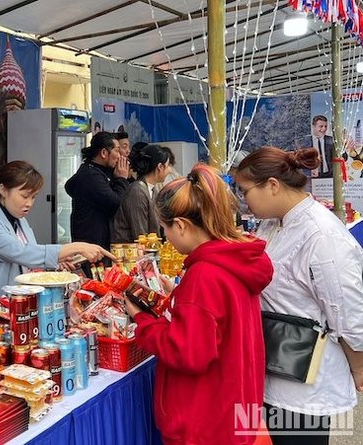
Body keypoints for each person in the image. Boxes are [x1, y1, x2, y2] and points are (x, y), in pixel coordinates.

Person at [125, 164, 274, 444]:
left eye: (165, 228)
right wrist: (178, 297)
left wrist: (143, 321)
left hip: (203, 422)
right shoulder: (236, 261)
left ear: (180, 225)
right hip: (232, 412)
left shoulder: (204, 275)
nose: (166, 236)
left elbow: (189, 353)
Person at [235, 147, 363, 444]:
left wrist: (358, 367)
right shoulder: (273, 225)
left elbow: (348, 311)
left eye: (245, 191)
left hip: (305, 383)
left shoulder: (321, 235)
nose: (245, 201)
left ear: (272, 186)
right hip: (273, 369)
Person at [0, 160, 111, 322]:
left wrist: (57, 261)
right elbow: (21, 252)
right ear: (3, 190)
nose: (29, 203)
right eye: (24, 196)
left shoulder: (19, 220)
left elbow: (31, 256)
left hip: (21, 307)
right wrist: (75, 247)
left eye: (33, 197)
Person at [65, 131, 130, 251]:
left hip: (99, 241)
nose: (120, 156)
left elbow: (69, 186)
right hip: (91, 244)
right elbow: (115, 203)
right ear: (104, 153)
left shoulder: (97, 171)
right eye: (117, 150)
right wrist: (121, 179)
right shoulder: (90, 175)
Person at [111, 144, 173, 243]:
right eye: (168, 165)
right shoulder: (137, 191)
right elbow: (140, 235)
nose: (170, 170)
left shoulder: (152, 190)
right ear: (160, 167)